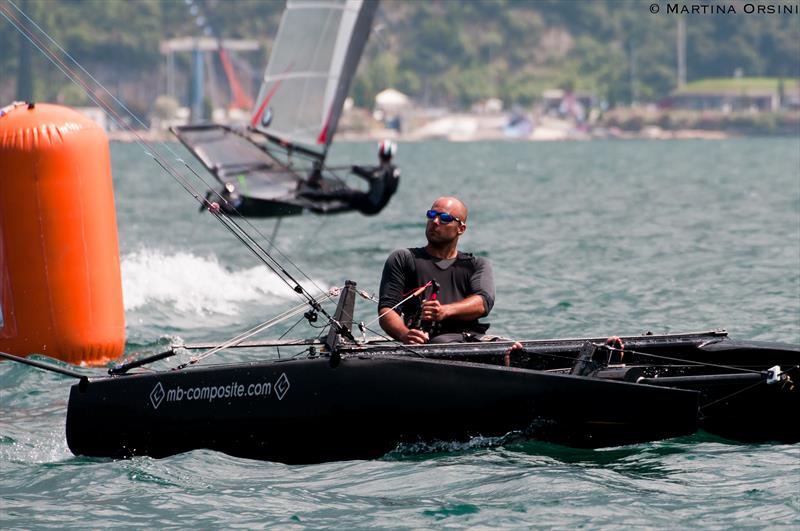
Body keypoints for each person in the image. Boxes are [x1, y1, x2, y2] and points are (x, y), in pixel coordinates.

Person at [378, 196, 495, 344]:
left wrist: (445, 311)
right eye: (432, 215)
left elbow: (483, 303)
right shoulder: (402, 259)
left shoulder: (476, 265)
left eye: (445, 218)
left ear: (461, 229)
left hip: (471, 340)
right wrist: (404, 335)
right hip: (428, 342)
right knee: (441, 341)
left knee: (514, 348)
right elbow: (387, 310)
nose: (435, 222)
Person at [299, 140, 400, 215]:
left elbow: (374, 176)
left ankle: (305, 195)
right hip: (376, 208)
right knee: (351, 197)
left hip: (370, 205)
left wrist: (357, 170)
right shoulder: (394, 170)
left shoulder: (382, 171)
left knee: (346, 193)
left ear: (379, 154)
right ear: (392, 156)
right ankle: (319, 206)